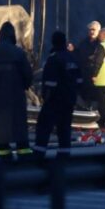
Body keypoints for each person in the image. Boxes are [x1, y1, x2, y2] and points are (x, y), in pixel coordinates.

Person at [0, 22, 34, 162]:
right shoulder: (18, 53)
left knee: (0, 128)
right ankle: (24, 154)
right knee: (19, 126)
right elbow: (28, 74)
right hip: (16, 96)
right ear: (12, 36)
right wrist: (24, 87)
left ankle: (4, 156)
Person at [33, 31, 82, 160]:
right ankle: (64, 154)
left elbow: (49, 82)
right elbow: (79, 80)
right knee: (64, 128)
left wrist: (45, 97)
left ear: (53, 42)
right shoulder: (71, 58)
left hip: (55, 100)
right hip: (69, 100)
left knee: (44, 126)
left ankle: (39, 153)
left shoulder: (54, 59)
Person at [76, 21, 101, 109]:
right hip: (85, 73)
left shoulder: (101, 44)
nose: (91, 32)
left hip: (96, 75)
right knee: (84, 93)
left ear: (98, 30)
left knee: (95, 95)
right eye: (90, 30)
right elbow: (79, 54)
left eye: (93, 30)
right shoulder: (84, 42)